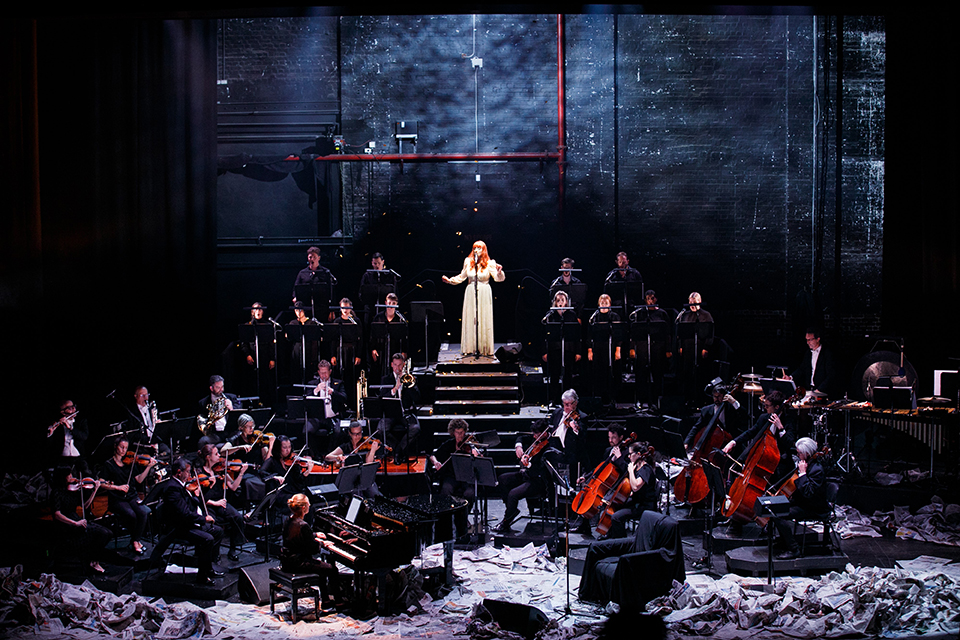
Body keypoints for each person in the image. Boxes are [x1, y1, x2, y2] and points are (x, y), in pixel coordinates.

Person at [152, 457, 224, 586]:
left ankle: (208, 568)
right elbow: (183, 513)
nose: (190, 475)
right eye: (188, 472)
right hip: (178, 528)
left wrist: (200, 493)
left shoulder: (183, 486)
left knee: (217, 531)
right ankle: (202, 577)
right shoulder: (172, 488)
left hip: (188, 523)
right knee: (207, 539)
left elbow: (196, 503)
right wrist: (203, 519)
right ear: (179, 472)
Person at [682, 378, 742, 511]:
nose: (717, 399)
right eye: (715, 397)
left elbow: (745, 416)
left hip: (729, 445)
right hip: (710, 447)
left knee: (724, 472)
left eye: (720, 397)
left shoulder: (731, 408)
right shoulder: (706, 410)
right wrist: (687, 442)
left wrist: (734, 402)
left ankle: (723, 501)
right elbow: (696, 427)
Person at [722, 389, 797, 494]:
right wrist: (733, 442)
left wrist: (780, 428)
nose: (765, 408)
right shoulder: (763, 418)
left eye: (767, 406)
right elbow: (750, 433)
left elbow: (789, 443)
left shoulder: (788, 420)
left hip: (781, 463)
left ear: (776, 407)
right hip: (764, 462)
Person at [280, 494, 344, 610]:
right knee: (332, 569)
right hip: (298, 563)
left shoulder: (289, 520)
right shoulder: (303, 525)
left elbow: (298, 537)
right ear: (304, 507)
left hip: (287, 560)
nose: (310, 505)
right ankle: (339, 602)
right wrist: (322, 543)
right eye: (308, 503)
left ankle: (326, 600)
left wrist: (314, 535)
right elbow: (313, 549)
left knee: (322, 568)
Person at [442, 240, 505, 356]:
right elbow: (462, 276)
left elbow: (498, 279)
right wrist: (450, 280)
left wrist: (499, 272)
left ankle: (484, 348)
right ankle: (470, 348)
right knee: (472, 318)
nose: (476, 250)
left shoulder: (490, 263)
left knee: (483, 318)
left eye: (479, 248)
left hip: (484, 291)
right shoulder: (468, 262)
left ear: (484, 250)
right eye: (475, 248)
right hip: (471, 291)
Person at [771, 437, 829, 559]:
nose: (797, 455)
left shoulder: (816, 470)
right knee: (774, 508)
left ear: (807, 453)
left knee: (778, 515)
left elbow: (808, 493)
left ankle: (793, 549)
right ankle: (784, 541)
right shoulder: (807, 464)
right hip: (803, 503)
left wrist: (802, 474)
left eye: (799, 453)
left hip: (814, 508)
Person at [98, 436, 154, 554]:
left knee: (143, 513)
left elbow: (139, 480)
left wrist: (148, 467)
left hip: (131, 496)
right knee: (131, 515)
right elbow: (101, 483)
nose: (124, 450)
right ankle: (135, 542)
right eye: (121, 447)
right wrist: (117, 487)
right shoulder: (109, 464)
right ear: (115, 447)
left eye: (126, 448)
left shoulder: (130, 463)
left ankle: (135, 540)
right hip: (117, 500)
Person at [494, 419, 551, 534]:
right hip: (527, 474)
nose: (534, 437)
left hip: (539, 480)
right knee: (502, 479)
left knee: (513, 495)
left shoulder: (551, 445)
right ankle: (511, 510)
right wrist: (518, 447)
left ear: (545, 433)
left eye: (537, 435)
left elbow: (542, 468)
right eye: (534, 434)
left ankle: (506, 522)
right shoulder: (535, 438)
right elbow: (521, 438)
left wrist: (529, 463)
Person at [50, 468, 111, 574]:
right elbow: (57, 514)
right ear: (62, 478)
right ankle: (91, 561)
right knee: (100, 533)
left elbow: (85, 506)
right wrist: (75, 523)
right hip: (66, 523)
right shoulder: (56, 492)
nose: (72, 477)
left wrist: (95, 490)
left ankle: (93, 560)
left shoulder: (72, 490)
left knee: (107, 533)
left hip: (76, 518)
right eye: (68, 475)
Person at [429, 418, 480, 541]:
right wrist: (436, 462)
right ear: (453, 432)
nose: (460, 436)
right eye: (457, 433)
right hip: (452, 477)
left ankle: (463, 519)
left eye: (462, 432)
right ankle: (445, 522)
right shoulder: (449, 444)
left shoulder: (470, 445)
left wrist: (476, 454)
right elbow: (432, 455)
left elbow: (481, 460)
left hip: (467, 478)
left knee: (470, 494)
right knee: (445, 490)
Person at [196, 444, 247, 562]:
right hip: (208, 505)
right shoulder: (200, 473)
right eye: (216, 454)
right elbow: (200, 498)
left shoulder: (220, 471)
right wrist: (215, 503)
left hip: (221, 503)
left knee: (237, 517)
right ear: (208, 457)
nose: (219, 456)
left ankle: (233, 549)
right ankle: (214, 552)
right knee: (213, 525)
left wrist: (241, 473)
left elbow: (233, 487)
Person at [602, 442, 658, 539]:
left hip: (644, 506)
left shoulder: (645, 469)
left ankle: (621, 542)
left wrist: (631, 471)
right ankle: (612, 536)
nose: (628, 456)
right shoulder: (637, 467)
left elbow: (636, 487)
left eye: (630, 454)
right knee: (615, 507)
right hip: (637, 502)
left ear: (638, 455)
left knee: (616, 517)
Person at [378, 353, 421, 463]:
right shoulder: (385, 379)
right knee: (381, 429)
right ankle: (397, 448)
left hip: (406, 412)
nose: (397, 368)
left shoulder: (410, 378)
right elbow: (382, 396)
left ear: (404, 365)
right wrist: (395, 388)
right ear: (392, 365)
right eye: (395, 365)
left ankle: (398, 450)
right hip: (390, 413)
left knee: (415, 428)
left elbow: (417, 397)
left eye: (400, 365)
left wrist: (406, 384)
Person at [631, 289, 672, 405]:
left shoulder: (662, 314)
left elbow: (668, 333)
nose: (650, 301)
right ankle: (641, 400)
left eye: (652, 298)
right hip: (643, 349)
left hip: (658, 348)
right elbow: (634, 332)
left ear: (656, 299)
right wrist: (632, 348)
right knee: (641, 375)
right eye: (648, 299)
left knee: (657, 375)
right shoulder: (639, 313)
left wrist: (668, 349)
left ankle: (657, 400)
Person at [220, 414, 268, 509]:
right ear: (241, 427)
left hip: (257, 470)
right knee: (250, 482)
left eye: (253, 426)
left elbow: (266, 458)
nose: (252, 428)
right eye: (248, 427)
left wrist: (268, 445)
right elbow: (222, 451)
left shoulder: (257, 438)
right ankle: (253, 507)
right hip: (243, 472)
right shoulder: (236, 439)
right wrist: (239, 447)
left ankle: (263, 508)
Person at [542, 290, 581, 403]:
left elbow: (577, 335)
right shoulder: (550, 316)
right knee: (554, 375)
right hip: (554, 349)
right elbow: (543, 336)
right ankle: (554, 399)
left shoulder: (571, 315)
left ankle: (568, 400)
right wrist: (544, 351)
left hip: (568, 349)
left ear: (566, 302)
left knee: (568, 374)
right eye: (558, 300)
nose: (560, 302)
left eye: (562, 300)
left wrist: (578, 352)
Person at [325, 421, 382, 498]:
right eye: (354, 434)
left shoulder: (365, 444)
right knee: (357, 497)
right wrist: (337, 457)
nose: (357, 436)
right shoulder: (346, 446)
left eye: (359, 433)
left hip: (364, 478)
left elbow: (368, 462)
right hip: (350, 480)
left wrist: (372, 450)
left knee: (375, 495)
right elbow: (327, 457)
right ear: (350, 434)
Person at [305, 360, 347, 459]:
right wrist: (316, 390)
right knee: (307, 430)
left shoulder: (338, 383)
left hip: (332, 417)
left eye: (326, 372)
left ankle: (329, 455)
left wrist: (333, 392)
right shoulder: (312, 383)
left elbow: (344, 397)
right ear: (318, 372)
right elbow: (306, 399)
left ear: (330, 371)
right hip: (317, 418)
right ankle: (315, 455)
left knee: (338, 432)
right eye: (321, 372)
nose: (323, 375)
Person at [677, 292, 714, 403]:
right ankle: (688, 398)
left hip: (700, 348)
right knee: (687, 373)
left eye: (694, 302)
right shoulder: (686, 315)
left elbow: (710, 332)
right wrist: (681, 346)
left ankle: (701, 399)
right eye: (690, 302)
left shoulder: (705, 315)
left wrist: (706, 347)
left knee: (700, 373)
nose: (692, 305)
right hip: (688, 348)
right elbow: (681, 333)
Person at [587, 294, 622, 405]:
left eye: (606, 303)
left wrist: (618, 350)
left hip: (611, 347)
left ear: (610, 304)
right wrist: (590, 351)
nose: (604, 305)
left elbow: (618, 335)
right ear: (598, 304)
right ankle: (599, 398)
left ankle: (612, 398)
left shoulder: (614, 316)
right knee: (598, 373)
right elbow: (589, 335)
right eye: (602, 303)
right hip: (598, 348)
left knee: (611, 373)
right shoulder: (594, 317)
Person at [785, 328, 838, 401]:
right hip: (810, 389)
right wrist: (791, 377)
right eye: (807, 340)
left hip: (823, 392)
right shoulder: (808, 353)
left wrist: (819, 390)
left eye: (810, 340)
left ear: (818, 339)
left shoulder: (827, 354)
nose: (808, 342)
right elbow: (802, 369)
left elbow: (831, 375)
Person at [327, 298, 363, 397]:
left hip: (352, 351)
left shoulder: (356, 321)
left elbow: (360, 340)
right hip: (340, 351)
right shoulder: (337, 321)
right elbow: (333, 340)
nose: (345, 310)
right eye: (343, 307)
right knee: (340, 375)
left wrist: (358, 355)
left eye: (347, 307)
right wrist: (333, 355)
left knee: (351, 376)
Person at [369, 292, 407, 379]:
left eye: (393, 303)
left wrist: (404, 351)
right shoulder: (378, 318)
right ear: (385, 303)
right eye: (389, 303)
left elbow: (405, 337)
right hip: (381, 349)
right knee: (381, 370)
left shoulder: (400, 319)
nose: (391, 306)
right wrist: (373, 349)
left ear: (396, 304)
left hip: (395, 348)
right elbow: (373, 335)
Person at [47, 399, 90, 474]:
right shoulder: (57, 423)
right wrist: (51, 433)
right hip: (62, 459)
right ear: (62, 412)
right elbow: (50, 446)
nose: (73, 409)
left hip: (79, 458)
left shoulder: (81, 421)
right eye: (69, 408)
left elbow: (84, 436)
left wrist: (70, 427)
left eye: (74, 406)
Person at [292, 246, 335, 319]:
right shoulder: (303, 272)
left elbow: (331, 291)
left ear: (319, 258)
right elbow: (296, 288)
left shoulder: (325, 272)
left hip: (322, 307)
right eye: (310, 257)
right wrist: (295, 297)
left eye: (314, 257)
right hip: (307, 306)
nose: (312, 259)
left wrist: (332, 309)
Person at [197, 375, 241, 447]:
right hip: (215, 434)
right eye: (218, 387)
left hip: (230, 431)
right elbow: (203, 419)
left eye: (222, 387)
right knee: (202, 441)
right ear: (211, 388)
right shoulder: (203, 402)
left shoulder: (231, 397)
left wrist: (232, 407)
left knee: (240, 436)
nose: (221, 390)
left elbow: (240, 414)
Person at [127, 386, 171, 456]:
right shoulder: (132, 413)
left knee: (169, 453)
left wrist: (160, 424)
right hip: (142, 446)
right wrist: (148, 440)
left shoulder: (152, 408)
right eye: (142, 395)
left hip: (157, 443)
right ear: (136, 396)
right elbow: (132, 434)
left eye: (147, 395)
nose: (145, 398)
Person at [287, 301, 321, 386]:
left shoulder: (311, 323)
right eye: (296, 311)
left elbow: (314, 342)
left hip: (308, 349)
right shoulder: (293, 323)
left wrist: (313, 358)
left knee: (308, 372)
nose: (298, 313)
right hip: (297, 350)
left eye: (300, 310)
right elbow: (289, 339)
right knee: (296, 371)